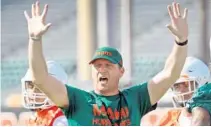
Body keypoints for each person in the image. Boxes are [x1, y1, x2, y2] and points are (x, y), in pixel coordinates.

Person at [24, 1, 188, 125]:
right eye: (97, 66)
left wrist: (181, 42)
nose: (101, 70)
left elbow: (170, 74)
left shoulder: (135, 98)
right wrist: (35, 39)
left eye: (108, 65)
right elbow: (41, 78)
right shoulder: (78, 100)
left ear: (121, 71)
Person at [140, 57, 211, 126]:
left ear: (204, 83)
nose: (181, 91)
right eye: (176, 86)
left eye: (186, 84)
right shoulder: (168, 119)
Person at [21, 61, 68, 126]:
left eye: (39, 88)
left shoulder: (61, 120)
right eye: (30, 86)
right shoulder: (37, 116)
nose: (32, 93)